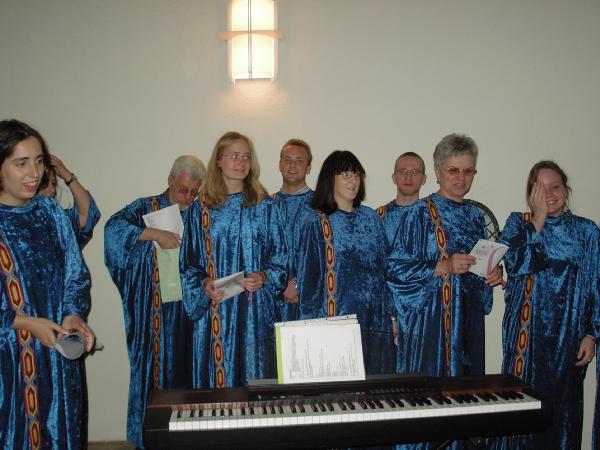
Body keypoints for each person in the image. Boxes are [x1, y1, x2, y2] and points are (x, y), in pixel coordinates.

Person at [492, 161, 599, 449]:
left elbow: (596, 284)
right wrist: (537, 220)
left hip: (568, 339)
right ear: (531, 194)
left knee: (562, 414)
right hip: (526, 339)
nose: (549, 194)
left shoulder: (586, 231)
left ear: (566, 189)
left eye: (555, 187)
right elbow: (515, 264)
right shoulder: (518, 223)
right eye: (541, 189)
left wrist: (592, 334)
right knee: (521, 409)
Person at [0, 119, 93, 449]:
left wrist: (73, 314)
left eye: (39, 161)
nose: (34, 173)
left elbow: (75, 275)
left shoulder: (51, 211)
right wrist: (24, 323)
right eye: (21, 163)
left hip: (55, 359)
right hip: (9, 361)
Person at [104, 155, 206, 448]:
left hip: (192, 312)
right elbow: (113, 230)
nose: (188, 197)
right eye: (183, 189)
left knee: (193, 373)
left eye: (194, 191)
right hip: (154, 312)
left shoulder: (201, 212)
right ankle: (148, 440)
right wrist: (152, 234)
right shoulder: (145, 207)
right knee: (153, 375)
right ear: (170, 181)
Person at [386, 134, 502, 380]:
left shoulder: (475, 217)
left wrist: (490, 274)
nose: (461, 178)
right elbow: (395, 270)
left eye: (468, 171)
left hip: (470, 326)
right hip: (431, 329)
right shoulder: (419, 214)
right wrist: (443, 266)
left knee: (466, 395)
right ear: (438, 171)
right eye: (453, 170)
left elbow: (477, 272)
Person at [180, 131, 287, 389]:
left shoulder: (265, 206)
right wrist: (204, 282)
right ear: (218, 160)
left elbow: (281, 259)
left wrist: (264, 276)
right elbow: (188, 264)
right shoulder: (201, 209)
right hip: (217, 310)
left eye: (247, 157)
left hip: (256, 311)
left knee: (256, 377)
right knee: (220, 380)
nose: (242, 162)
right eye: (235, 156)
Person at [295, 150, 392, 374]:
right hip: (336, 321)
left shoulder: (371, 218)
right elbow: (309, 283)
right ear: (330, 179)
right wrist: (310, 328)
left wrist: (392, 316)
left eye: (356, 174)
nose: (353, 180)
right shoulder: (316, 222)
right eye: (345, 175)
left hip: (374, 320)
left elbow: (384, 269)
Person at [271, 138, 313, 321]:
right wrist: (280, 285)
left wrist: (297, 283)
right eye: (287, 160)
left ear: (308, 168)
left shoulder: (321, 206)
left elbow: (327, 256)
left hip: (311, 301)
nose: (292, 165)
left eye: (299, 160)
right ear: (280, 165)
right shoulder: (266, 206)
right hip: (273, 301)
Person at [38, 154, 101, 248]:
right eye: (44, 184)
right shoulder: (16, 222)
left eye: (53, 184)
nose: (52, 190)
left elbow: (87, 215)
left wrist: (66, 175)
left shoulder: (58, 221)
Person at [377, 151, 427, 244]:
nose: (408, 177)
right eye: (402, 171)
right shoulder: (377, 218)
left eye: (415, 172)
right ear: (394, 178)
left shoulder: (434, 218)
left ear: (423, 179)